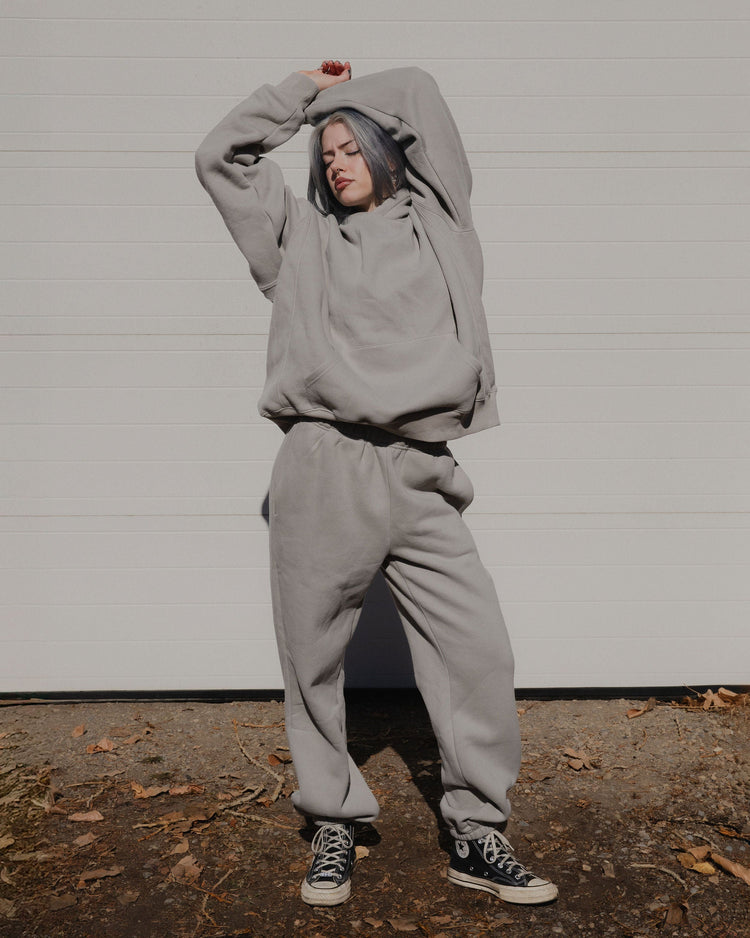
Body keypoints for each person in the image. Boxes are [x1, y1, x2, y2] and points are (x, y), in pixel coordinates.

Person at [195, 60, 558, 908]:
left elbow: (425, 94)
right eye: (327, 154)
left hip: (421, 469)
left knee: (475, 648)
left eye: (355, 147)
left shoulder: (443, 224)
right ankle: (332, 818)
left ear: (393, 153)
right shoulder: (296, 240)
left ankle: (477, 830)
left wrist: (339, 95)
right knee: (314, 657)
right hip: (325, 466)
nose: (337, 161)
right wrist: (293, 98)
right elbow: (223, 157)